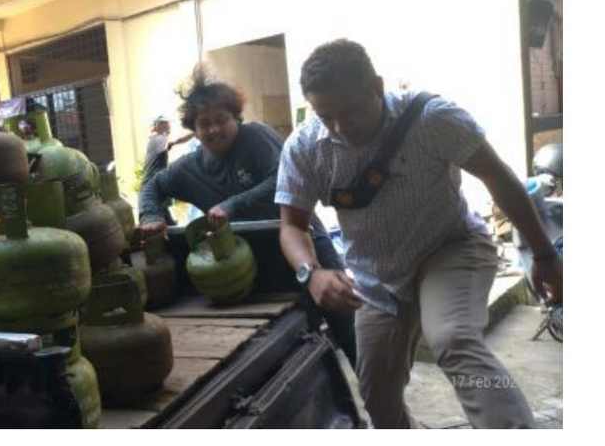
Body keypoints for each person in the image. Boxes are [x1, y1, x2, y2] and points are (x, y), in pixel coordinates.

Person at [276, 38, 562, 428]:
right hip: (375, 277)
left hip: (450, 249)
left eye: (351, 111)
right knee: (378, 398)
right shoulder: (304, 147)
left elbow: (499, 178)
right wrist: (311, 273)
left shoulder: (433, 118)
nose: (340, 127)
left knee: (452, 338)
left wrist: (544, 255)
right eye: (327, 116)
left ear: (376, 87)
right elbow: (292, 225)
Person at [138, 65, 357, 362]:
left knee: (346, 324)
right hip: (253, 261)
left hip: (305, 241)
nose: (214, 129)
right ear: (194, 129)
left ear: (236, 118)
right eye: (204, 123)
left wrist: (231, 206)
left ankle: (374, 386)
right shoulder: (188, 168)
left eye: (221, 120)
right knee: (290, 336)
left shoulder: (256, 137)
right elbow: (152, 186)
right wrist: (151, 217)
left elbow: (282, 179)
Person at [138, 115, 193, 225]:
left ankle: (171, 224)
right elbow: (176, 140)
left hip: (156, 184)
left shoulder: (156, 139)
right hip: (152, 186)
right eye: (165, 124)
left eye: (168, 124)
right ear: (157, 126)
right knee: (157, 219)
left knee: (165, 215)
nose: (168, 126)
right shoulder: (159, 139)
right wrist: (195, 132)